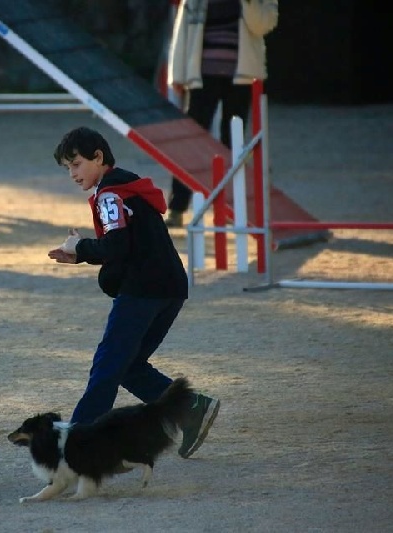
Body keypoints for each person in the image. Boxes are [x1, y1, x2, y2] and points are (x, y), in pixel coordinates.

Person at [48, 126, 219, 459]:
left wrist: (81, 244)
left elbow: (117, 245)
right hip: (169, 286)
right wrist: (82, 253)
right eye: (67, 167)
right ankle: (191, 408)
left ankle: (78, 443)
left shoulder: (110, 195)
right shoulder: (124, 187)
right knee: (127, 365)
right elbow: (125, 244)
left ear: (99, 157)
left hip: (145, 289)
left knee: (108, 364)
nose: (72, 173)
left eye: (77, 164)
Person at [164, 0, 279, 227]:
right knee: (191, 141)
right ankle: (177, 208)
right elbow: (182, 31)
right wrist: (177, 75)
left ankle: (232, 208)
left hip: (242, 77)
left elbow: (263, 26)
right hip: (201, 76)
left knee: (233, 144)